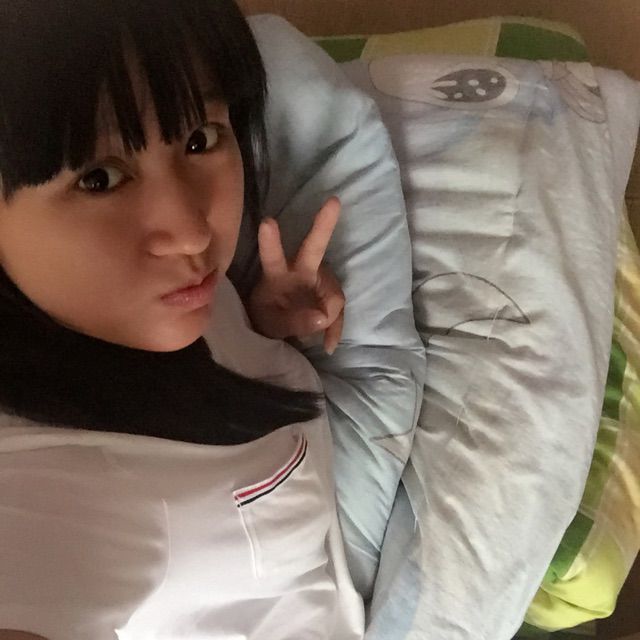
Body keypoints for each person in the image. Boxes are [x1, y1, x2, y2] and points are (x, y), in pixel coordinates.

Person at [0, 0, 364, 638]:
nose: (194, 233)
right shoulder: (44, 484)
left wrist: (260, 326)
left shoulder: (153, 300)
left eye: (201, 140)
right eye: (99, 179)